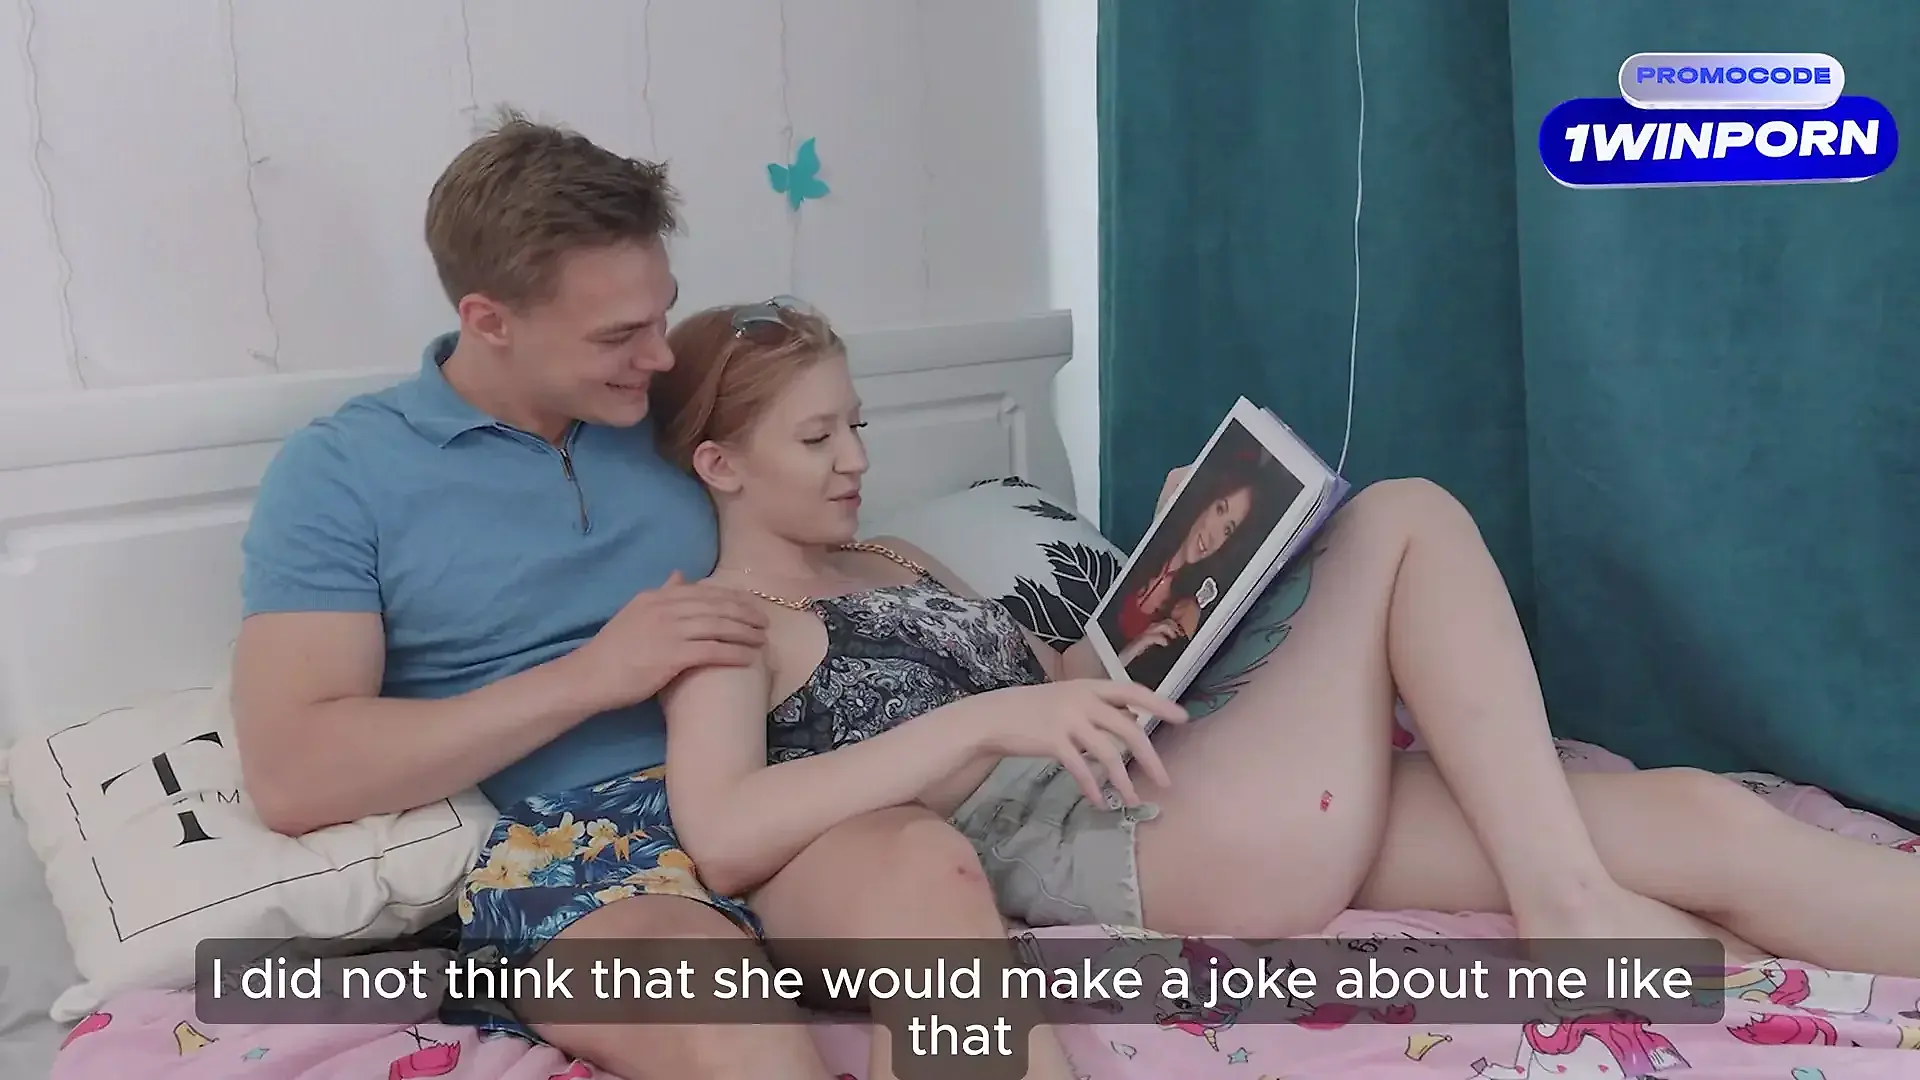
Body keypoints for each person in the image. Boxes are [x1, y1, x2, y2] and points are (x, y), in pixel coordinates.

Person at [650, 295, 1920, 994]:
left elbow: (1069, 687)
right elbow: (728, 832)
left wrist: (1172, 566)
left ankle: (1576, 891)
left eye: (858, 426)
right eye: (816, 439)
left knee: (1699, 819)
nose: (857, 460)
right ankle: (1567, 908)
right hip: (1119, 844)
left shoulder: (899, 559)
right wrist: (981, 722)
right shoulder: (726, 627)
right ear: (719, 464)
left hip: (1165, 767)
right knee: (1407, 517)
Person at [231, 114, 981, 1080]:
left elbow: (829, 510)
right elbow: (296, 775)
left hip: (767, 791)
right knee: (734, 1026)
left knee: (939, 902)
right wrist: (592, 676)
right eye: (620, 335)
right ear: (489, 320)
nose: (661, 357)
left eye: (663, 315)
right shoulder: (343, 473)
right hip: (585, 849)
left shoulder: (669, 417)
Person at [1102, 433, 1292, 684]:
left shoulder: (1188, 611)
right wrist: (1128, 653)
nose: (1214, 534)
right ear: (1207, 501)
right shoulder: (1152, 554)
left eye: (1228, 530)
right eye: (1220, 509)